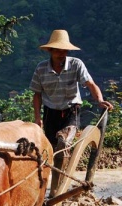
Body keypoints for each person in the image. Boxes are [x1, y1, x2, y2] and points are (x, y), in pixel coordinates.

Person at [29, 29, 113, 197]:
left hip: (70, 111)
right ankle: (54, 184)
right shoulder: (41, 69)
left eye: (64, 51)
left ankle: (55, 191)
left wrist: (100, 100)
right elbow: (37, 95)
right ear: (51, 51)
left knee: (63, 143)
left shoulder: (76, 64)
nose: (62, 54)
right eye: (58, 51)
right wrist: (38, 118)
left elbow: (90, 84)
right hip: (50, 113)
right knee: (52, 151)